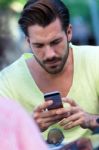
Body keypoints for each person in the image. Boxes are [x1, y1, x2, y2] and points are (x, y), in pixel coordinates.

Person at [0, 0, 99, 149]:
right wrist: (28, 127)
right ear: (28, 41)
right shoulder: (7, 81)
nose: (49, 54)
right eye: (39, 45)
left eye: (55, 42)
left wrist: (92, 121)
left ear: (69, 32)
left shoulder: (95, 60)